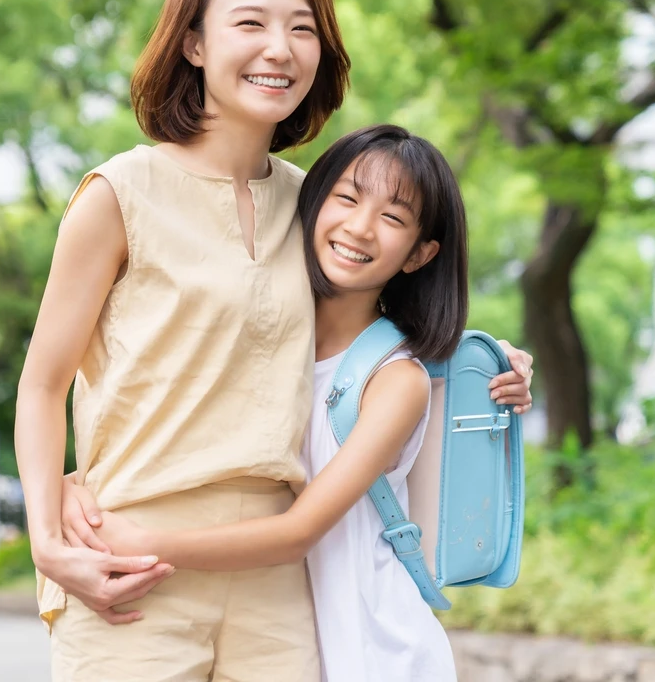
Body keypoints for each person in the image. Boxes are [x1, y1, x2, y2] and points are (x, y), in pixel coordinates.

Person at [14, 0, 533, 681]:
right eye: (250, 24)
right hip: (127, 564)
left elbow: (378, 321)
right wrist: (46, 538)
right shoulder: (118, 195)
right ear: (193, 43)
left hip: (281, 581)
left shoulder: (316, 204)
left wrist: (492, 362)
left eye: (302, 28)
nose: (280, 49)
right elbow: (41, 382)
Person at [65, 124, 503, 680]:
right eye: (346, 197)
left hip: (372, 642)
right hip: (287, 624)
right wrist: (76, 481)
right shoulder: (268, 340)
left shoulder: (396, 380)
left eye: (393, 218)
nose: (360, 227)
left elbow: (300, 530)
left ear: (419, 254)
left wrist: (144, 544)